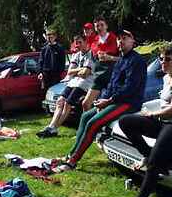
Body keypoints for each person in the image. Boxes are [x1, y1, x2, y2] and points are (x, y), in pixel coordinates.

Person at [54, 30, 147, 172]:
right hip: (114, 101)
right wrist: (103, 100)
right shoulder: (121, 60)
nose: (120, 41)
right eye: (119, 39)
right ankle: (70, 154)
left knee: (93, 123)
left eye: (125, 38)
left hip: (128, 103)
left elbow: (130, 88)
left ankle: (72, 162)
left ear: (133, 42)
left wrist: (108, 101)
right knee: (85, 116)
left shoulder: (137, 61)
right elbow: (112, 84)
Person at [119, 44, 172, 197]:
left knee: (154, 162)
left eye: (168, 59)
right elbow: (164, 105)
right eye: (161, 59)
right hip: (165, 122)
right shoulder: (166, 77)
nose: (163, 62)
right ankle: (147, 155)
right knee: (126, 122)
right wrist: (151, 113)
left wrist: (152, 115)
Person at [37, 34, 94, 138]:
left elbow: (85, 73)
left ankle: (53, 129)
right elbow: (69, 72)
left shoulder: (91, 54)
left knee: (67, 104)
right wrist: (80, 70)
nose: (78, 45)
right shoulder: (76, 55)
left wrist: (78, 70)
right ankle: (51, 126)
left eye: (80, 42)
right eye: (76, 43)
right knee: (59, 101)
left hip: (84, 84)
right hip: (73, 82)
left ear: (86, 42)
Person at [82, 16, 120, 111]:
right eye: (97, 26)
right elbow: (92, 58)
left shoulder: (114, 39)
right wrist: (88, 68)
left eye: (101, 25)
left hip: (112, 77)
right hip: (98, 77)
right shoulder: (94, 41)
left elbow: (123, 59)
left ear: (106, 26)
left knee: (106, 107)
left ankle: (100, 124)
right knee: (85, 104)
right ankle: (89, 124)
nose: (99, 28)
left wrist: (109, 57)